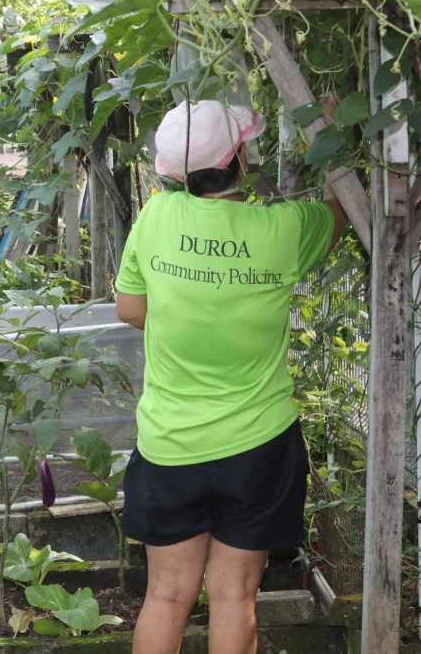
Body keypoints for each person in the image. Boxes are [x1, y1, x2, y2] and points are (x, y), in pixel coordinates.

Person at [114, 100, 347, 653]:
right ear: (240, 158)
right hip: (258, 446)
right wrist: (333, 128)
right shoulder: (284, 228)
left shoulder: (156, 218)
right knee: (235, 595)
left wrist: (187, 305)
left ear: (171, 173)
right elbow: (343, 211)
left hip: (171, 445)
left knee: (167, 595)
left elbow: (129, 308)